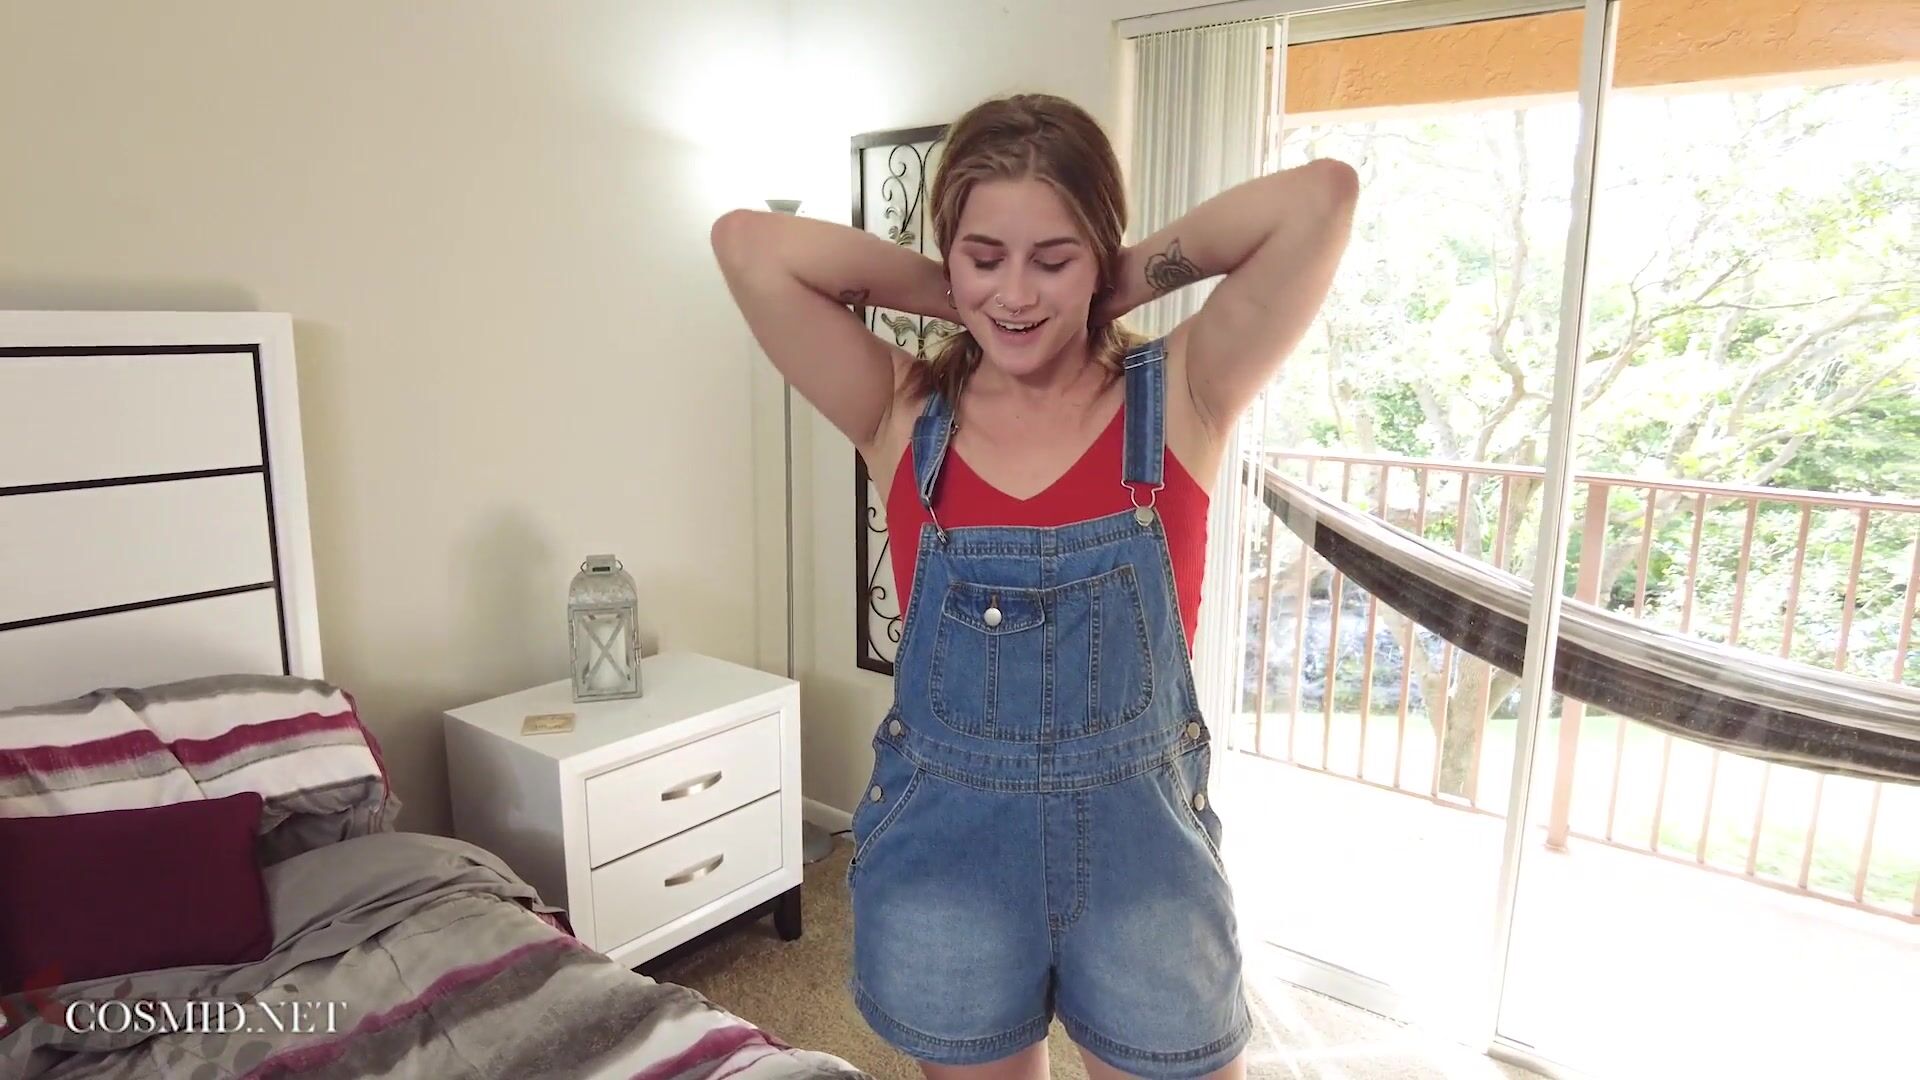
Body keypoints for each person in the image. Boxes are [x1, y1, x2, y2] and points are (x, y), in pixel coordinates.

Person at [712, 93, 1356, 1080]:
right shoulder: (901, 408)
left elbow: (1321, 198)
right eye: (985, 256)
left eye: (1053, 258)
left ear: (1099, 254)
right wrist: (964, 295)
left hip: (1144, 865)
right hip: (951, 865)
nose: (1016, 293)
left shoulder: (1181, 391)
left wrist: (1102, 285)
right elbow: (749, 245)